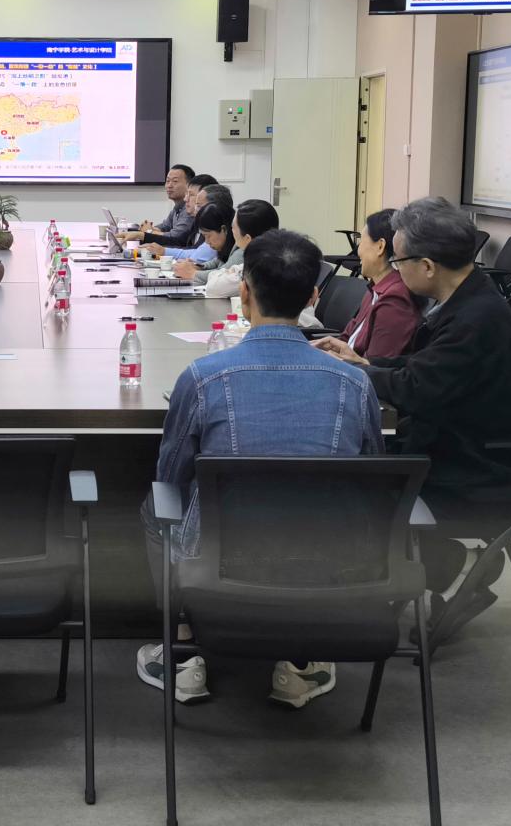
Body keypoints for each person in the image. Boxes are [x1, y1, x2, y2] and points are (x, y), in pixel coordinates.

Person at [137, 229, 384, 709]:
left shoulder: (203, 376)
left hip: (220, 555)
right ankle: (299, 662)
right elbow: (371, 473)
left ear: (244, 292)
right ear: (313, 298)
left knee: (157, 506)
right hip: (327, 552)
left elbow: (170, 474)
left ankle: (184, 648)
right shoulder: (355, 383)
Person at [313, 196, 511, 636]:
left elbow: (418, 389)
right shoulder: (464, 301)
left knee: (343, 486)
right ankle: (430, 569)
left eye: (399, 260)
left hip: (475, 466)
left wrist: (356, 373)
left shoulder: (474, 319)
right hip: (453, 440)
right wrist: (363, 363)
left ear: (427, 266)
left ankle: (456, 565)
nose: (395, 268)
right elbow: (425, 368)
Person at [326, 209, 422, 361]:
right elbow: (347, 339)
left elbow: (375, 367)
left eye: (361, 241)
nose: (358, 250)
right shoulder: (375, 289)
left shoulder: (395, 300)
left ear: (380, 247)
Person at [199, 199, 277, 298]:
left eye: (233, 227)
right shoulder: (277, 256)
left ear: (247, 239)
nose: (231, 231)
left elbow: (213, 288)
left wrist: (227, 273)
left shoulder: (254, 269)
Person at [143, 184, 232, 261]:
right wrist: (163, 250)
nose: (185, 199)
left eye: (199, 206)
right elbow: (190, 248)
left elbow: (197, 256)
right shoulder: (194, 220)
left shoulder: (216, 231)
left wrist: (148, 235)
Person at [121, 167, 202, 246]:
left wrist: (149, 232)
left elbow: (175, 237)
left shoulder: (190, 210)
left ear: (189, 185)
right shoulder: (177, 208)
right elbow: (165, 226)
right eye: (168, 181)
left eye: (175, 181)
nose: (169, 185)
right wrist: (149, 229)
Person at [171, 203, 235, 282]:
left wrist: (192, 273)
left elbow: (222, 275)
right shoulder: (226, 248)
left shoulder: (239, 250)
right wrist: (197, 266)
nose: (207, 242)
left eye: (208, 236)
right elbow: (217, 262)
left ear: (224, 230)